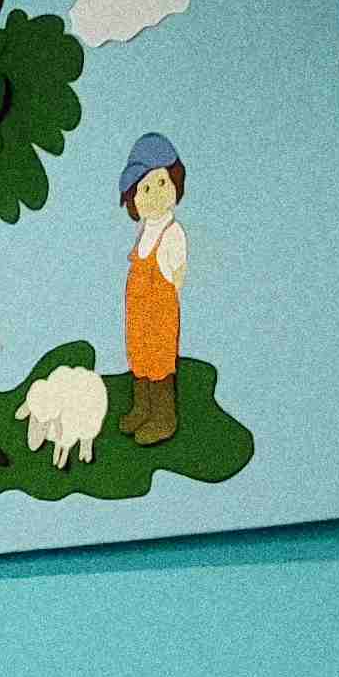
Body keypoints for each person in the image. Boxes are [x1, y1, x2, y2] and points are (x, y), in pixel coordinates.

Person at [118, 134, 189, 446]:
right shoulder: (144, 231)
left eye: (162, 183)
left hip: (160, 313)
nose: (155, 194)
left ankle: (163, 417)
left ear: (175, 183)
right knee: (140, 358)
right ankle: (142, 408)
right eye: (145, 189)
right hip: (138, 315)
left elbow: (177, 275)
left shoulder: (172, 233)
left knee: (159, 362)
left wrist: (163, 305)